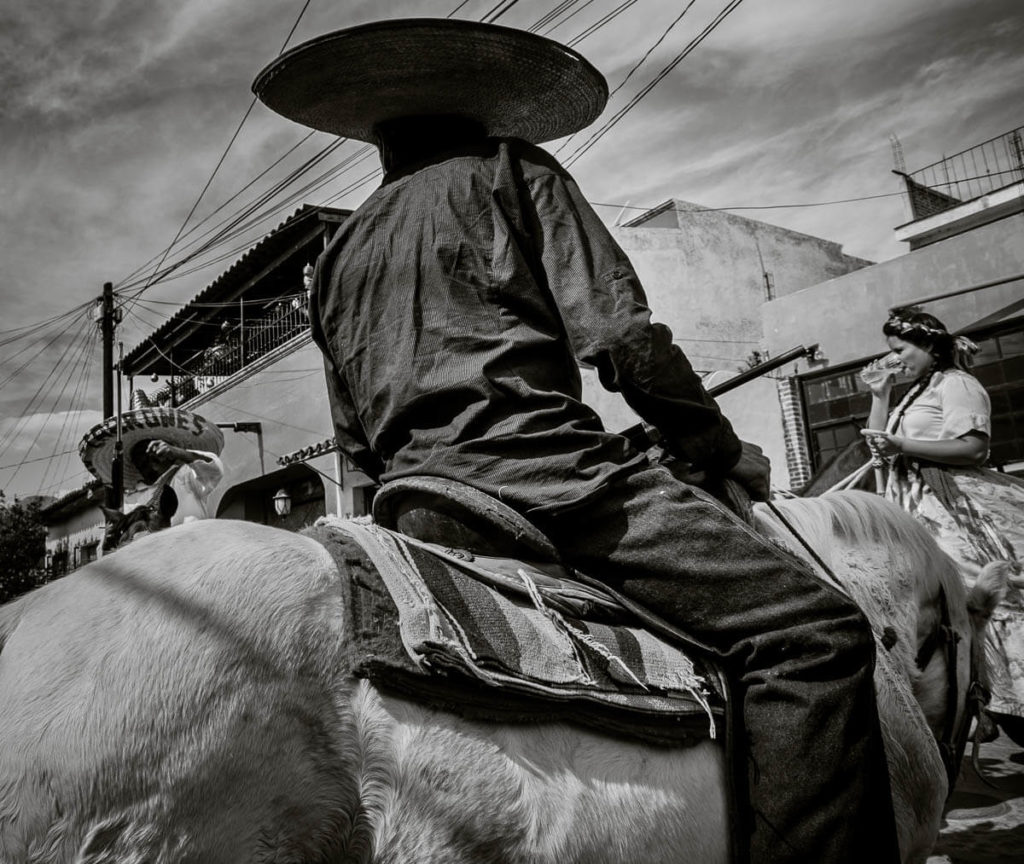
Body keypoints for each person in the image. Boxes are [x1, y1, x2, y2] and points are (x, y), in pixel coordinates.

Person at [254, 18, 900, 863]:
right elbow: (625, 342)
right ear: (486, 107)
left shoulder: (337, 256)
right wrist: (712, 448)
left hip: (417, 511)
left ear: (377, 128)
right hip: (549, 488)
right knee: (815, 634)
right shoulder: (513, 170)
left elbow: (358, 451)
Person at [861, 307, 1024, 741]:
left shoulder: (958, 385)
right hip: (916, 509)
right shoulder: (915, 391)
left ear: (930, 346)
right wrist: (880, 397)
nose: (895, 359)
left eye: (900, 350)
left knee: (978, 598)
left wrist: (902, 444)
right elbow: (880, 449)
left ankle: (1005, 703)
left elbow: (973, 448)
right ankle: (974, 704)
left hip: (953, 507)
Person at [80, 406, 226, 539]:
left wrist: (179, 453)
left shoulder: (186, 476)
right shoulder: (133, 498)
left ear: (166, 453)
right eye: (140, 461)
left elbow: (214, 470)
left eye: (152, 455)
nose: (147, 464)